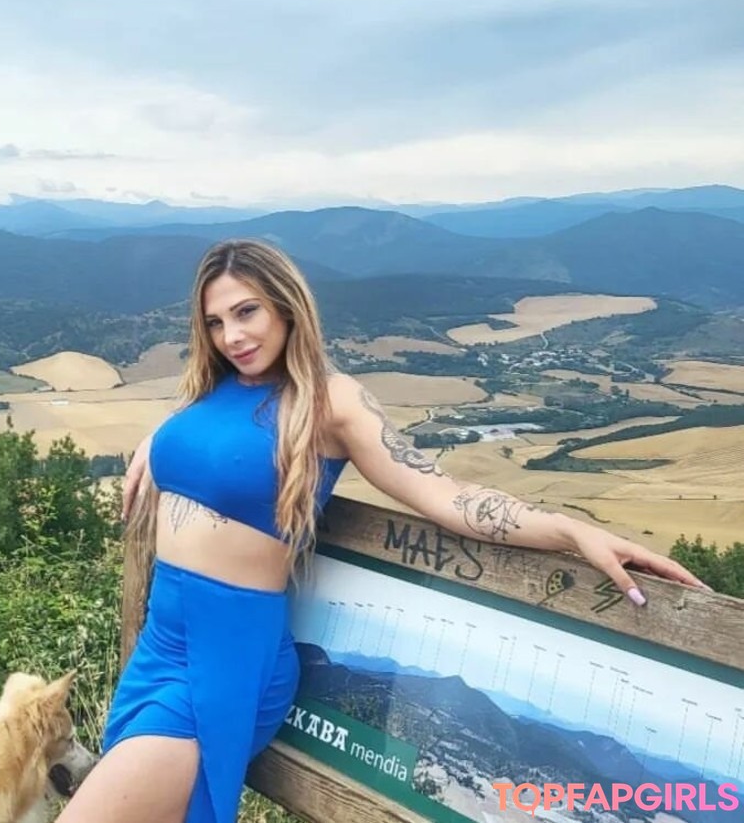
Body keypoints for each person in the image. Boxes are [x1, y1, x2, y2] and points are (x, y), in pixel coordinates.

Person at [55, 238, 707, 823]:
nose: (233, 336)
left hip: (225, 655)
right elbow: (210, 441)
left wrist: (569, 530)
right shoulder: (212, 390)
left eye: (247, 312)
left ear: (286, 305)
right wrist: (159, 441)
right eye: (216, 322)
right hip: (161, 643)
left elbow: (444, 494)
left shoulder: (331, 401)